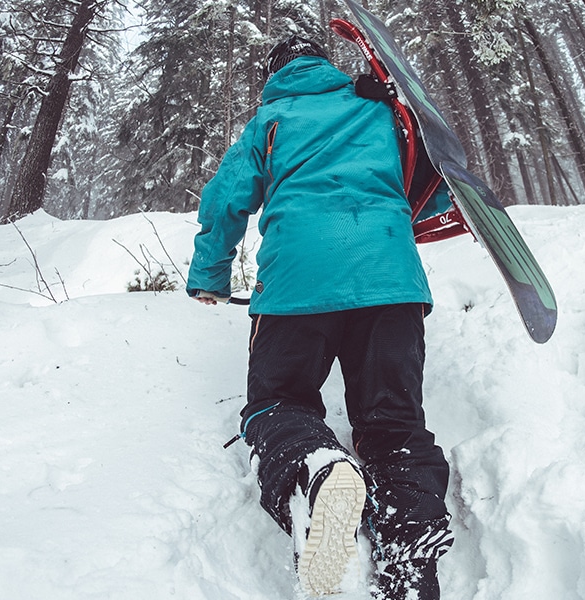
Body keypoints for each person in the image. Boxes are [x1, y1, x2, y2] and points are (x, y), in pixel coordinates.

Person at [187, 35, 453, 599]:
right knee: (394, 425)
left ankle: (316, 469)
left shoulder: (273, 118)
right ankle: (409, 570)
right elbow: (428, 191)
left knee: (276, 401)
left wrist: (210, 275)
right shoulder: (378, 105)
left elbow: (228, 196)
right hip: (390, 281)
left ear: (273, 73)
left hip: (296, 285)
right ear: (323, 63)